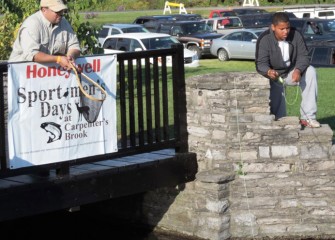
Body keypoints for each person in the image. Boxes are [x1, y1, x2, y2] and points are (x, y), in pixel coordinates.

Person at [255, 12, 320, 128]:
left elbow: (304, 56)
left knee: (310, 71)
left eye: (287, 28)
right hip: (274, 75)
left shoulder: (296, 35)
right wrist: (269, 71)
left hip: (291, 72)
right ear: (273, 27)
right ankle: (280, 121)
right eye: (282, 29)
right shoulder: (264, 39)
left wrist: (298, 70)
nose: (286, 32)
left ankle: (308, 118)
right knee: (277, 112)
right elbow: (261, 63)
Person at [9, 0, 81, 70]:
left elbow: (74, 46)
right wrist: (58, 59)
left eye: (61, 11)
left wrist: (70, 57)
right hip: (21, 73)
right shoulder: (32, 24)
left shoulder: (63, 22)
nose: (61, 14)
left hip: (45, 74)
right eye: (57, 11)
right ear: (44, 10)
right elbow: (32, 54)